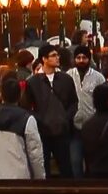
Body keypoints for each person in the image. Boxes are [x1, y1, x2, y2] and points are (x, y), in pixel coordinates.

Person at [29, 45, 78, 179]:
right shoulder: (33, 82)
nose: (58, 58)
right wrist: (40, 120)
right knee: (44, 169)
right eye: (53, 55)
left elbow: (74, 102)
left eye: (58, 55)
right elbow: (26, 107)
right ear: (44, 59)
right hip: (42, 131)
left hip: (62, 130)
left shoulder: (66, 79)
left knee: (66, 168)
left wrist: (65, 118)